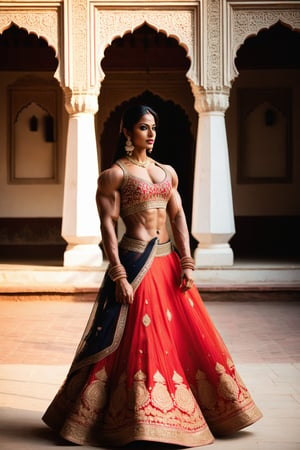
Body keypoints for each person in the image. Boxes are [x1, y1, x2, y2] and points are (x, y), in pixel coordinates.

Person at [43, 104, 262, 447]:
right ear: (127, 133)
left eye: (153, 128)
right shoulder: (115, 174)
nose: (151, 133)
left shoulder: (166, 172)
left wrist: (187, 259)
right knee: (139, 343)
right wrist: (116, 272)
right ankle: (137, 417)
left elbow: (177, 216)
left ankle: (193, 410)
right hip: (135, 263)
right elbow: (107, 226)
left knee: (183, 339)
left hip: (167, 264)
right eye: (143, 127)